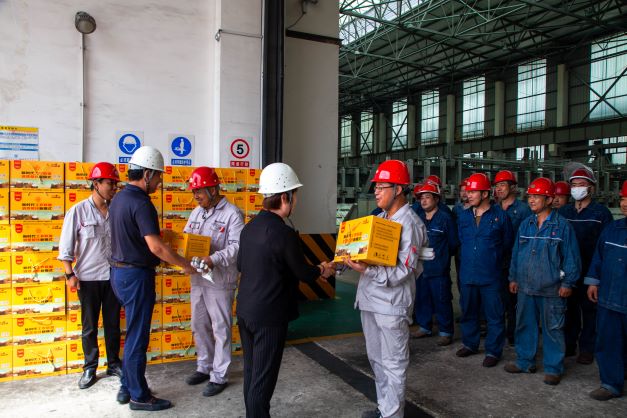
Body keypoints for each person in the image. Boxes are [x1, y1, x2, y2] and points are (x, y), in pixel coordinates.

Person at [236, 162, 334, 418]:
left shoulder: (249, 228)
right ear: (284, 197)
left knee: (252, 373)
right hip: (269, 317)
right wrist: (322, 269)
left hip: (245, 311)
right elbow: (302, 273)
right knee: (262, 382)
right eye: (295, 195)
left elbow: (241, 265)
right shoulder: (283, 233)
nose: (296, 201)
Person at [109, 146, 194, 411]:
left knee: (131, 332)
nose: (159, 182)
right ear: (146, 174)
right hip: (136, 276)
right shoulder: (142, 203)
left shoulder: (119, 198)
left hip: (119, 274)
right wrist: (184, 264)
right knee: (137, 337)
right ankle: (139, 396)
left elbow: (136, 236)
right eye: (157, 176)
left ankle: (127, 385)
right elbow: (156, 247)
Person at [343, 160, 428, 418]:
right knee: (377, 360)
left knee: (393, 363)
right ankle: (385, 409)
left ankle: (393, 415)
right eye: (376, 187)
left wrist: (367, 271)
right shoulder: (379, 220)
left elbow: (404, 270)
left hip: (392, 304)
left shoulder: (410, 224)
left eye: (382, 187)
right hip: (370, 299)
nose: (376, 192)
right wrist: (343, 260)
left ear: (398, 189)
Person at [504, 178, 580, 386]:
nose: (532, 200)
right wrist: (513, 277)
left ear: (549, 200)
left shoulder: (562, 227)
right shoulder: (526, 224)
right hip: (526, 287)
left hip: (552, 289)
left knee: (553, 329)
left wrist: (568, 283)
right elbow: (516, 254)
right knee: (524, 325)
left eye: (537, 196)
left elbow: (571, 258)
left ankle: (553, 368)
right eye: (530, 196)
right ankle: (524, 361)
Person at [58, 162, 123, 389]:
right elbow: (65, 247)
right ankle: (90, 367)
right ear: (96, 184)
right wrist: (69, 275)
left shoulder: (117, 211)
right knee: (89, 327)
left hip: (113, 277)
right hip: (87, 279)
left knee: (113, 324)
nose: (113, 188)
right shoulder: (78, 211)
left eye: (115, 184)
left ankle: (113, 364)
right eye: (109, 183)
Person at [183, 167, 244, 397]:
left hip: (220, 281)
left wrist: (213, 258)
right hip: (198, 278)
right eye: (194, 191)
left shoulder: (232, 214)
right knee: (199, 324)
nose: (196, 196)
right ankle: (204, 366)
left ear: (213, 189)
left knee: (220, 329)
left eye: (199, 191)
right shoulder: (196, 212)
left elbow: (237, 248)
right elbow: (187, 237)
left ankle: (219, 375)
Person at [456, 173, 514, 368]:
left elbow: (507, 244)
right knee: (468, 311)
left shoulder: (500, 217)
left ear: (485, 194)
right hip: (468, 274)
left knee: (494, 315)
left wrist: (493, 260)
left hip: (491, 275)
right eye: (468, 191)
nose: (469, 195)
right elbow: (461, 241)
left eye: (473, 192)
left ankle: (493, 351)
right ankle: (470, 344)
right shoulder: (463, 216)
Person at [559, 167, 613, 364]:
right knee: (568, 310)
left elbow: (604, 248)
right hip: (568, 271)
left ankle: (587, 348)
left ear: (591, 188)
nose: (577, 189)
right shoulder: (564, 212)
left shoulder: (601, 213)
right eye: (574, 185)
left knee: (590, 312)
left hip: (590, 270)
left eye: (581, 185)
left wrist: (596, 277)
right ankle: (568, 344)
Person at [585, 180, 627, 401]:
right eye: (623, 198)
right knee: (609, 341)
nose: (625, 203)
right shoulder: (613, 229)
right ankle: (610, 383)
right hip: (609, 297)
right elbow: (598, 257)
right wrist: (593, 282)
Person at [411, 183, 459, 346]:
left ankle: (446, 331)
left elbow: (453, 243)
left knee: (442, 299)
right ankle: (425, 326)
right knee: (422, 297)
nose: (423, 201)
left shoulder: (445, 218)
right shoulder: (418, 219)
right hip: (421, 267)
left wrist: (442, 257)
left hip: (438, 268)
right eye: (421, 198)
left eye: (427, 197)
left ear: (436, 199)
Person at [493, 170, 532, 344]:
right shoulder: (494, 209)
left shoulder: (523, 210)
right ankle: (499, 332)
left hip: (515, 263)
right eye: (497, 186)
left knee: (514, 302)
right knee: (497, 300)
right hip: (496, 262)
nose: (499, 189)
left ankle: (514, 334)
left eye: (502, 185)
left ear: (513, 187)